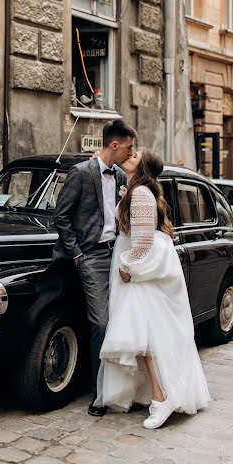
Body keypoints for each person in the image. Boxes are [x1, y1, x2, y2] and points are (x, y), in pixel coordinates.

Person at [94, 148, 210, 429]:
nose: (130, 154)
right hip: (141, 269)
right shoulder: (135, 190)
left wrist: (125, 265)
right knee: (146, 336)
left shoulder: (141, 194)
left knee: (144, 338)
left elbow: (143, 241)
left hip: (141, 272)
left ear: (143, 166)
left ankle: (161, 397)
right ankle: (154, 393)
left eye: (136, 155)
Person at [52, 119, 137, 416]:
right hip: (91, 257)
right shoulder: (80, 173)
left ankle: (119, 387)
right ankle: (99, 393)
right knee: (101, 322)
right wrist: (77, 255)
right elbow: (60, 217)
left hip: (118, 254)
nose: (131, 153)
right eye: (128, 147)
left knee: (122, 321)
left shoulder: (121, 176)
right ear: (114, 145)